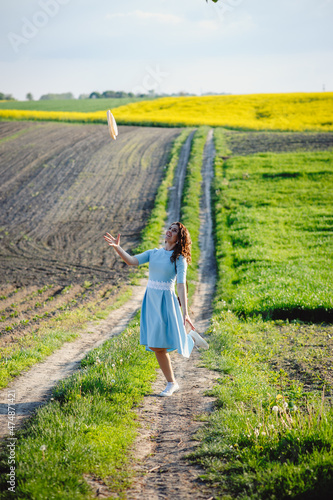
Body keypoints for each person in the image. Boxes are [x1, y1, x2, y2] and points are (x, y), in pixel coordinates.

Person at [103, 222, 208, 397]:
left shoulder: (179, 258)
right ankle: (188, 341)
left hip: (166, 301)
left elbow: (181, 286)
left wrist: (186, 313)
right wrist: (118, 248)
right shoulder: (154, 253)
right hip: (151, 301)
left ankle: (171, 382)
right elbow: (132, 261)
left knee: (158, 345)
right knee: (156, 345)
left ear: (179, 238)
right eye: (170, 228)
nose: (169, 232)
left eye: (174, 231)